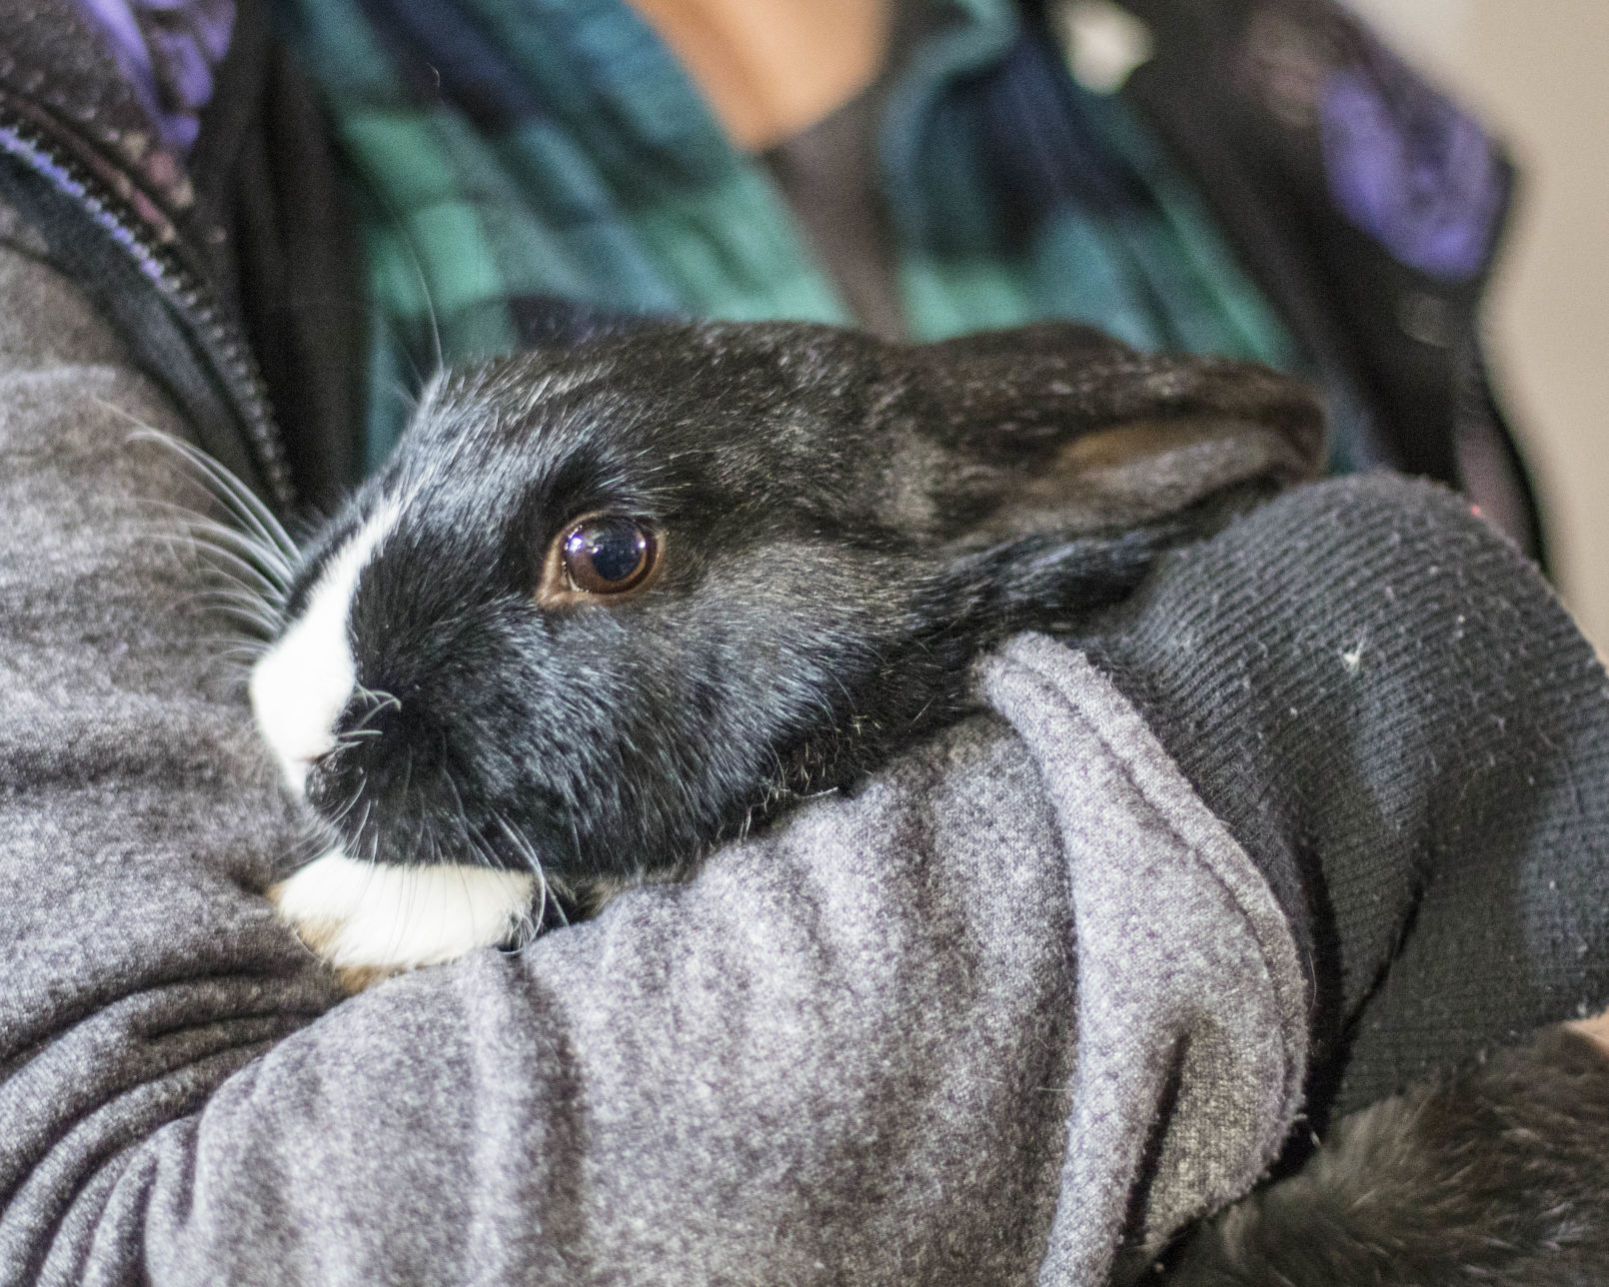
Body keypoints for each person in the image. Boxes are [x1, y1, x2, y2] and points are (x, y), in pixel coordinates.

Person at [1, 1, 1605, 1283]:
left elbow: (1508, 922)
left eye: (604, 553)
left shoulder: (1297, 110)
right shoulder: (80, 123)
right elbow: (131, 1239)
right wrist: (1320, 726)